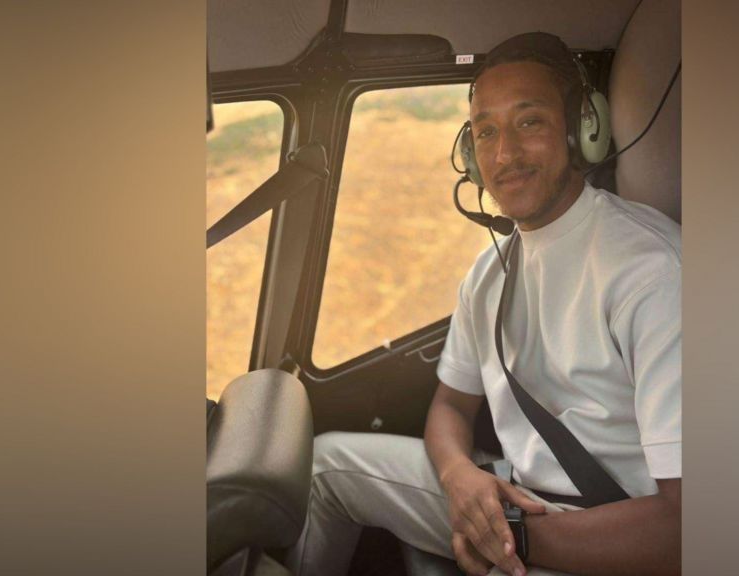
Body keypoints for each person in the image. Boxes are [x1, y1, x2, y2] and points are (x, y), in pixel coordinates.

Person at [286, 32, 681, 576]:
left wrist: (513, 541)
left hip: (613, 535)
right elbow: (450, 407)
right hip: (512, 500)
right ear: (469, 156)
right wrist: (459, 479)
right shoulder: (488, 274)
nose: (505, 154)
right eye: (485, 132)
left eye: (529, 122)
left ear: (581, 129)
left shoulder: (651, 270)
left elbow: (685, 527)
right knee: (323, 469)